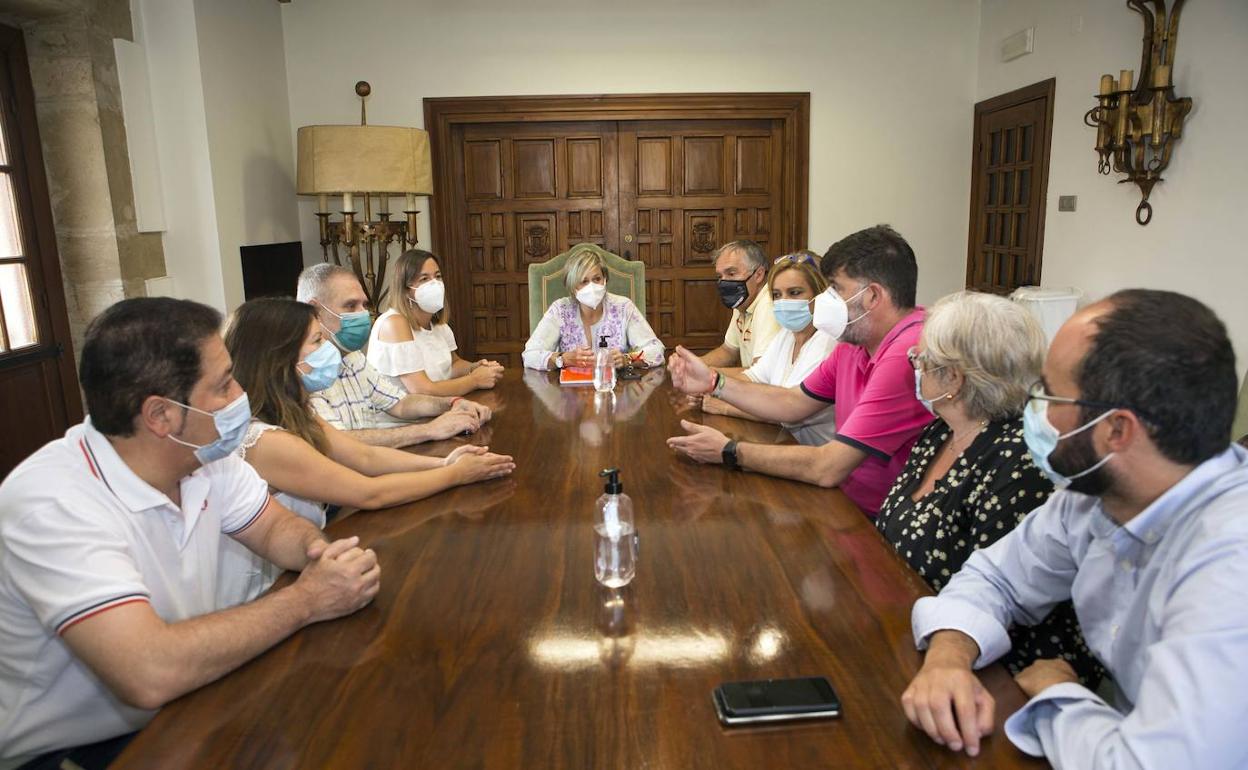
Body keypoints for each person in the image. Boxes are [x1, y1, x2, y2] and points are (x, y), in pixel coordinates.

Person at [0, 298, 379, 770]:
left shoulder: (203, 456)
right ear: (161, 415)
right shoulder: (51, 503)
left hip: (183, 702)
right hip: (74, 747)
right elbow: (148, 672)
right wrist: (307, 600)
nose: (240, 394)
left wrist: (321, 556)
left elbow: (273, 527)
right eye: (223, 384)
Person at [901, 289, 1248, 768]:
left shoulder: (1230, 564)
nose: (1034, 411)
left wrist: (1057, 693)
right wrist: (948, 656)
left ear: (1117, 430)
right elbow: (995, 578)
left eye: (1048, 394)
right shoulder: (1093, 496)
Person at [220, 297, 515, 604]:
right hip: (266, 591)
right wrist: (456, 475)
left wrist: (445, 464)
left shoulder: (297, 413)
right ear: (280, 357)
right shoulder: (266, 440)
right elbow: (369, 493)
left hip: (306, 568)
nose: (327, 348)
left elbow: (365, 457)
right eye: (317, 341)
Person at [878, 291, 1103, 687]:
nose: (916, 368)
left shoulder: (1019, 462)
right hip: (920, 631)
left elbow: (1004, 599)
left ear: (953, 378)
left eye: (921, 360)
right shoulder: (939, 433)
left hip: (996, 669)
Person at [667, 225, 934, 515]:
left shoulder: (908, 352)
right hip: (844, 499)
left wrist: (729, 451)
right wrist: (713, 381)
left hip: (878, 517)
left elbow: (828, 467)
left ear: (872, 296)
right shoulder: (854, 342)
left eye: (836, 289)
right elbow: (792, 402)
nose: (825, 300)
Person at [296, 263, 492, 448]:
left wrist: (453, 403)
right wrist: (430, 430)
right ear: (315, 310)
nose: (363, 314)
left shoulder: (353, 358)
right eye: (350, 306)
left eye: (364, 305)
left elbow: (400, 403)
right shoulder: (304, 372)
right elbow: (339, 443)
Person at [698, 251, 837, 445]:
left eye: (795, 293)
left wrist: (723, 404)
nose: (783, 302)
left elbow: (787, 412)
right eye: (777, 295)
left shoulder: (829, 343)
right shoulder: (787, 335)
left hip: (815, 454)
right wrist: (704, 381)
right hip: (785, 445)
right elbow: (753, 377)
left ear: (820, 295)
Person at [368, 249, 505, 397]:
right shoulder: (394, 323)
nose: (434, 284)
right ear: (406, 289)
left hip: (438, 406)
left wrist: (475, 368)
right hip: (403, 411)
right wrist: (475, 380)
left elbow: (452, 365)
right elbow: (422, 390)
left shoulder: (439, 326)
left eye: (438, 276)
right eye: (424, 279)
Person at [522, 248, 664, 370]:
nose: (592, 287)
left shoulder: (623, 307)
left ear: (605, 279)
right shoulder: (560, 310)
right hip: (570, 390)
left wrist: (627, 359)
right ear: (573, 287)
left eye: (597, 279)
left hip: (615, 387)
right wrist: (563, 359)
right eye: (584, 281)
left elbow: (656, 351)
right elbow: (529, 355)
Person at [698, 239, 780, 369]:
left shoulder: (769, 306)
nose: (724, 282)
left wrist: (708, 374)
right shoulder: (743, 301)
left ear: (758, 275)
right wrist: (690, 364)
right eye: (720, 276)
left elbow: (760, 372)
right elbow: (728, 351)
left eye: (731, 273)